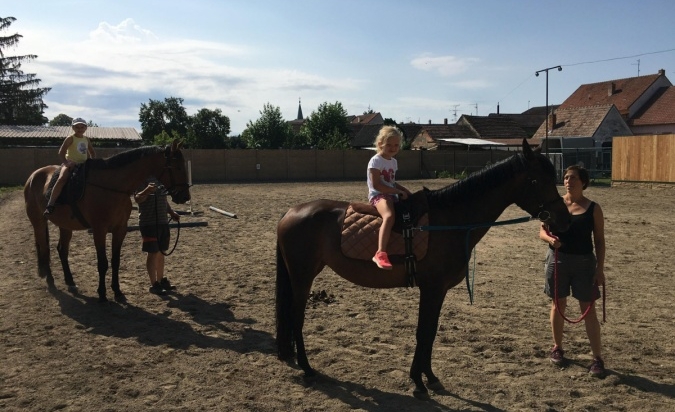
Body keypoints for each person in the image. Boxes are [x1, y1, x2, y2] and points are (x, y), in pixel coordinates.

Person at [539, 164, 606, 377]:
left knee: (588, 310)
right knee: (558, 304)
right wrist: (550, 239)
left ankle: (597, 358)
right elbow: (541, 230)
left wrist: (600, 269)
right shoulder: (555, 204)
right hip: (557, 260)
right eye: (566, 178)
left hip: (585, 263)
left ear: (583, 182)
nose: (568, 181)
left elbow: (600, 240)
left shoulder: (593, 208)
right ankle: (557, 347)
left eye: (573, 178)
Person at [367, 125, 412, 270]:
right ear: (380, 144)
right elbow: (377, 184)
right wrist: (396, 192)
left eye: (396, 145)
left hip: (391, 193)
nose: (393, 148)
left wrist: (405, 191)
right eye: (389, 145)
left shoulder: (393, 161)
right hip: (378, 195)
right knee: (389, 215)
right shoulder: (376, 161)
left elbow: (392, 182)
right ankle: (380, 253)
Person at [134, 177, 181, 295]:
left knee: (162, 252)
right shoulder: (142, 179)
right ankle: (153, 283)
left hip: (163, 222)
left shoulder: (161, 179)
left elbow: (164, 200)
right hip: (149, 223)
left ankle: (160, 280)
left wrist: (171, 212)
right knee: (153, 252)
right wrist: (147, 190)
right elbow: (137, 198)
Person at [44, 117, 96, 215]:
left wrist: (91, 161)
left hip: (83, 164)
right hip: (71, 163)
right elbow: (61, 152)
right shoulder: (70, 138)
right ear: (73, 128)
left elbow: (92, 152)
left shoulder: (86, 139)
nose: (80, 129)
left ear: (85, 128)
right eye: (77, 127)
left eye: (82, 127)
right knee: (62, 179)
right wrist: (66, 162)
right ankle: (50, 204)